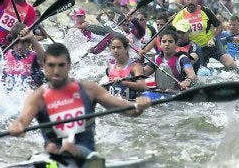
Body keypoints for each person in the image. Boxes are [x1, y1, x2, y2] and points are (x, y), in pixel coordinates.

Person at [8, 43, 151, 159]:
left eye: (61, 65)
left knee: (67, 147)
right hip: (52, 154)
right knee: (52, 147)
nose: (56, 71)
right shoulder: (37, 97)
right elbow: (22, 121)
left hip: (85, 151)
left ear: (69, 65)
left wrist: (140, 106)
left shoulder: (89, 89)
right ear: (44, 67)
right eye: (51, 65)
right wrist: (17, 128)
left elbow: (130, 111)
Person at [172, 0, 236, 70]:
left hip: (212, 45)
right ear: (185, 1)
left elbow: (220, 26)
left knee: (231, 65)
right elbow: (173, 34)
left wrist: (213, 38)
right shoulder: (179, 16)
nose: (191, 2)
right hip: (197, 50)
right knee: (202, 74)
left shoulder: (205, 11)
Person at [1, 24, 45, 92]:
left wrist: (32, 37)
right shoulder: (4, 57)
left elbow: (44, 62)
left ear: (29, 43)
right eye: (16, 42)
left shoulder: (35, 57)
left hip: (28, 99)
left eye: (23, 42)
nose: (19, 47)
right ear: (11, 42)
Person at [105, 35, 147, 100]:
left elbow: (142, 86)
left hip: (130, 104)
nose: (115, 50)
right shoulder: (110, 66)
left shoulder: (135, 66)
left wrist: (124, 83)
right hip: (113, 103)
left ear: (126, 49)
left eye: (119, 47)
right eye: (113, 48)